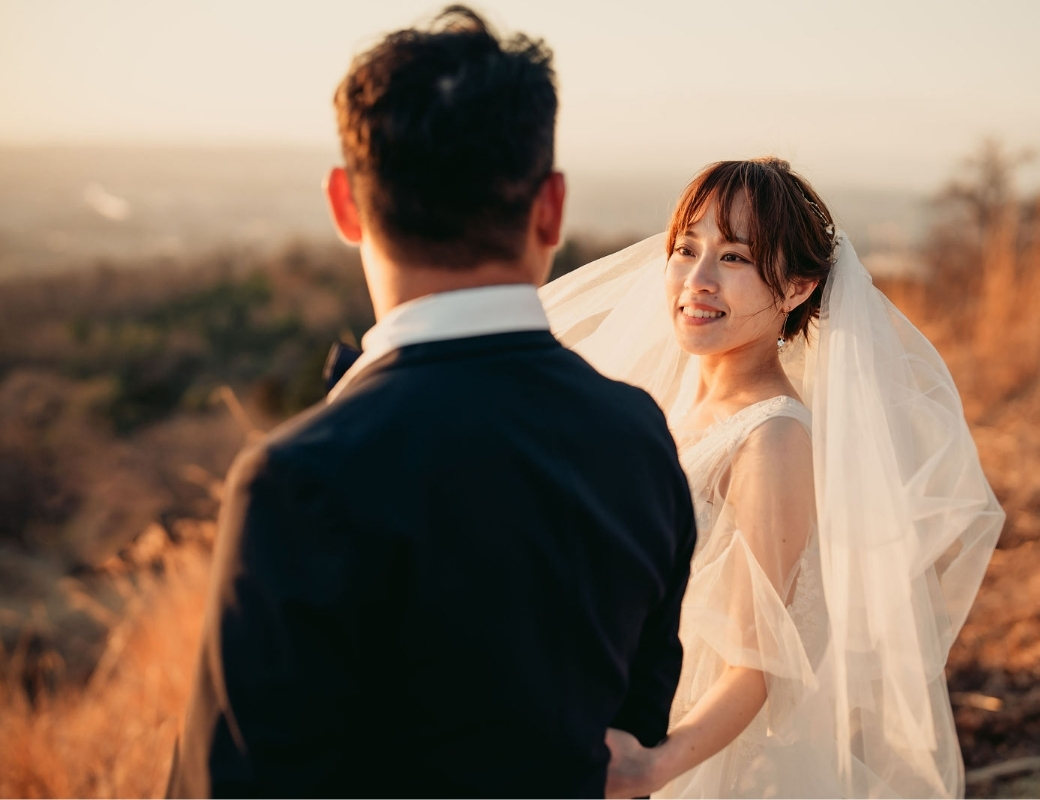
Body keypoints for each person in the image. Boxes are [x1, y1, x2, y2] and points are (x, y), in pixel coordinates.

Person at [166, 7, 696, 797]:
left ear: (345, 205)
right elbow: (630, 738)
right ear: (550, 207)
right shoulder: (638, 436)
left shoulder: (296, 479)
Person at [540, 158, 1004, 798]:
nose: (697, 279)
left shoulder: (772, 438)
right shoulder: (668, 409)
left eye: (734, 258)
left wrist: (655, 767)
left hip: (701, 754)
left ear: (797, 287)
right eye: (686, 248)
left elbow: (757, 665)